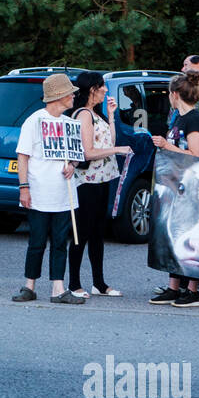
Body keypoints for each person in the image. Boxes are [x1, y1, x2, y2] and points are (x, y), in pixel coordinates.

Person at [10, 74, 86, 304]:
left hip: (64, 193)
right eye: (70, 93)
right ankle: (29, 285)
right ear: (59, 96)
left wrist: (72, 165)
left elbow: (75, 157)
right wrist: (24, 188)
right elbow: (22, 157)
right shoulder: (34, 121)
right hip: (40, 192)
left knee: (60, 241)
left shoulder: (68, 123)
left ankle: (58, 288)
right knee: (37, 240)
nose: (74, 96)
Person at [68, 72, 133, 298]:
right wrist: (118, 151)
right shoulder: (83, 115)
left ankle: (99, 283)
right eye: (102, 86)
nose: (106, 90)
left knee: (97, 233)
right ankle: (74, 283)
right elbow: (88, 152)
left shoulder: (96, 114)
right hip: (87, 181)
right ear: (92, 89)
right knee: (82, 232)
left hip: (102, 179)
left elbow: (109, 141)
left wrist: (112, 116)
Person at [149, 71, 199, 307]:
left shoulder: (195, 120)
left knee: (191, 235)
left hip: (191, 186)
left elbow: (195, 155)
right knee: (173, 234)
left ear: (175, 94)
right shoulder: (177, 119)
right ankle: (174, 287)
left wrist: (166, 145)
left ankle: (192, 289)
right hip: (175, 185)